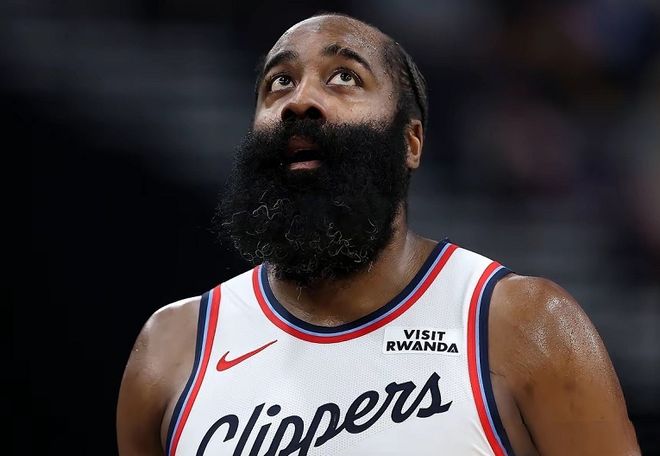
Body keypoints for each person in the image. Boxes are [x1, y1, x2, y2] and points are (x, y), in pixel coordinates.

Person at [116, 13, 640, 456]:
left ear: (411, 142)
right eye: (279, 82)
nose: (300, 100)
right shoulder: (172, 350)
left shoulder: (524, 326)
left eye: (344, 77)